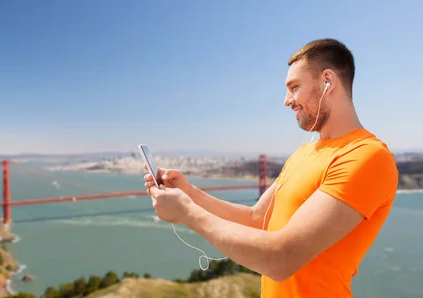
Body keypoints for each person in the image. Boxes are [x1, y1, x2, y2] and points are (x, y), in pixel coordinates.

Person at [143, 38, 398, 298]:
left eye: (294, 87)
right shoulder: (304, 153)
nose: (287, 101)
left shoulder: (367, 156)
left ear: (327, 82)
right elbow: (256, 220)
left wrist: (187, 214)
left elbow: (282, 258)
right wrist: (189, 193)